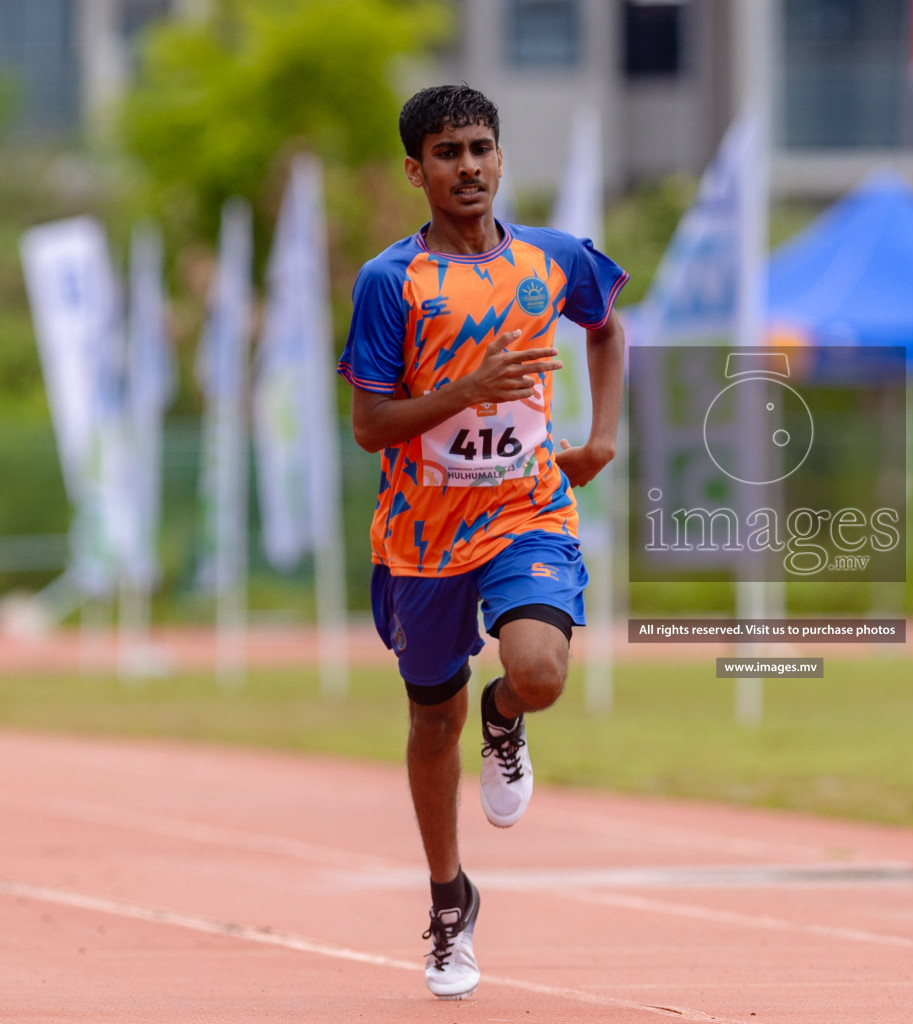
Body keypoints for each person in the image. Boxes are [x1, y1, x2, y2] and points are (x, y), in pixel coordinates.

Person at [338, 84, 627, 998]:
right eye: (448, 153)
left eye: (480, 149)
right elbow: (371, 425)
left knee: (538, 671)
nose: (468, 167)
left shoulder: (552, 258)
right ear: (416, 170)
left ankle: (507, 719)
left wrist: (602, 436)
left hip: (525, 508)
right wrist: (469, 388)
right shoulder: (394, 283)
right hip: (422, 535)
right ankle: (449, 900)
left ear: (500, 159)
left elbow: (607, 328)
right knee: (431, 720)